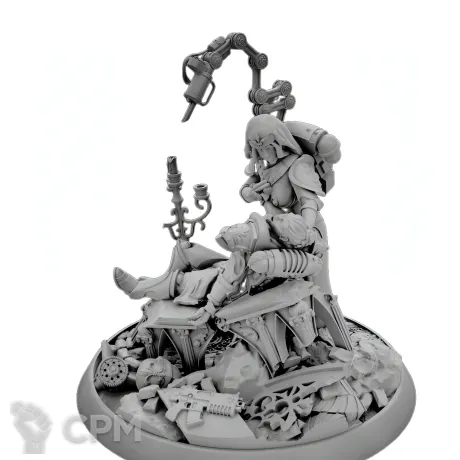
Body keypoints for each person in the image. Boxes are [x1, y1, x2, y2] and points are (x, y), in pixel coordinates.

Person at [114, 213, 325, 326]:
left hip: (232, 291)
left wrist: (210, 307)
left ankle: (140, 289)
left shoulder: (267, 258)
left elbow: (231, 278)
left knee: (185, 281)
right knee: (186, 249)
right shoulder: (265, 241)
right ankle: (159, 283)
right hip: (230, 272)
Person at [239, 114, 341, 296]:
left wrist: (304, 231)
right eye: (257, 148)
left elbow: (308, 203)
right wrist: (252, 193)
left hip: (306, 229)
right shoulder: (263, 167)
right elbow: (245, 190)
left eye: (265, 147)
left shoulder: (298, 165)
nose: (262, 153)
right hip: (278, 227)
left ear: (278, 143)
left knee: (316, 287)